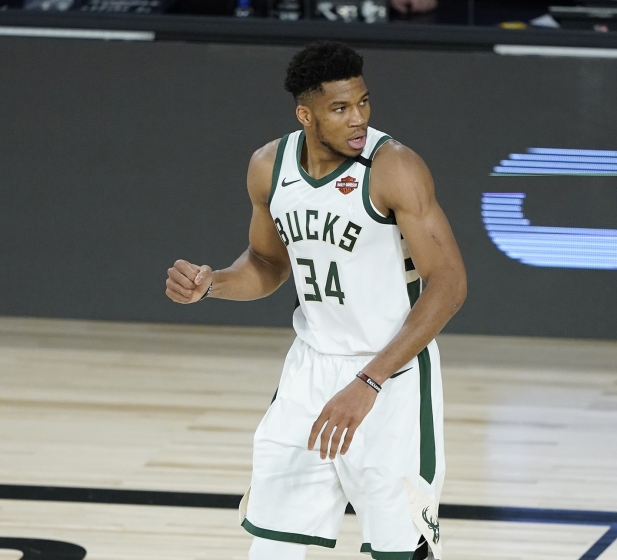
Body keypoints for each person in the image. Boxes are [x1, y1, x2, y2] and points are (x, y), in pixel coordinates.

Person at [165, 41, 467, 560]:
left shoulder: (394, 167)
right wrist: (211, 282)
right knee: (272, 545)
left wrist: (369, 380)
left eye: (364, 103)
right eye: (340, 109)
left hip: (390, 376)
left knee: (400, 550)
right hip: (309, 372)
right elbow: (266, 265)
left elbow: (450, 285)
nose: (359, 120)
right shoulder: (269, 166)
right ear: (306, 115)